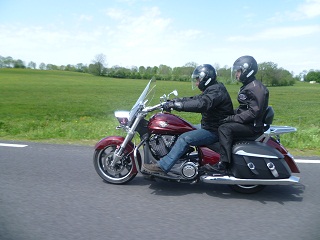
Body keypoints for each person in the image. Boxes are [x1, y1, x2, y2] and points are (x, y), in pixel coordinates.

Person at [142, 64, 234, 174]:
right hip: (210, 126)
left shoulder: (216, 91)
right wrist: (175, 101)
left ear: (206, 78)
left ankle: (163, 166)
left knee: (184, 138)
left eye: (198, 80)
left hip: (215, 130)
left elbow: (201, 104)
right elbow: (195, 99)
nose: (196, 83)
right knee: (183, 129)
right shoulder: (213, 89)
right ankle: (179, 159)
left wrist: (178, 106)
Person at [214, 55, 269, 172]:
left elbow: (253, 112)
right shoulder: (250, 86)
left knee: (225, 129)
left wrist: (232, 118)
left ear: (247, 70)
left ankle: (224, 164)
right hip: (249, 123)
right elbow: (243, 109)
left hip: (253, 127)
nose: (236, 74)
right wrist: (225, 115)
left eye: (239, 71)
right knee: (221, 123)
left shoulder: (256, 88)